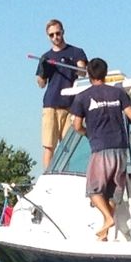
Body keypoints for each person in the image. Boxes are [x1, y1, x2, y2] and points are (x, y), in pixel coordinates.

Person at [70, 57, 131, 241]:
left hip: (100, 149)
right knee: (112, 193)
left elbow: (76, 126)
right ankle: (105, 232)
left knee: (93, 190)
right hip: (120, 149)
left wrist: (89, 133)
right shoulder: (117, 93)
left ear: (88, 74)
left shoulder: (82, 97)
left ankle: (109, 219)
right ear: (105, 73)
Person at [36, 19, 88, 169]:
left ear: (63, 32)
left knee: (68, 146)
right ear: (48, 37)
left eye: (58, 33)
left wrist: (73, 65)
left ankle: (67, 173)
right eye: (51, 35)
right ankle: (47, 176)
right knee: (48, 145)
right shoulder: (46, 56)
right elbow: (41, 84)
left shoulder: (76, 52)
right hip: (51, 104)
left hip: (71, 105)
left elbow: (83, 72)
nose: (55, 37)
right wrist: (44, 71)